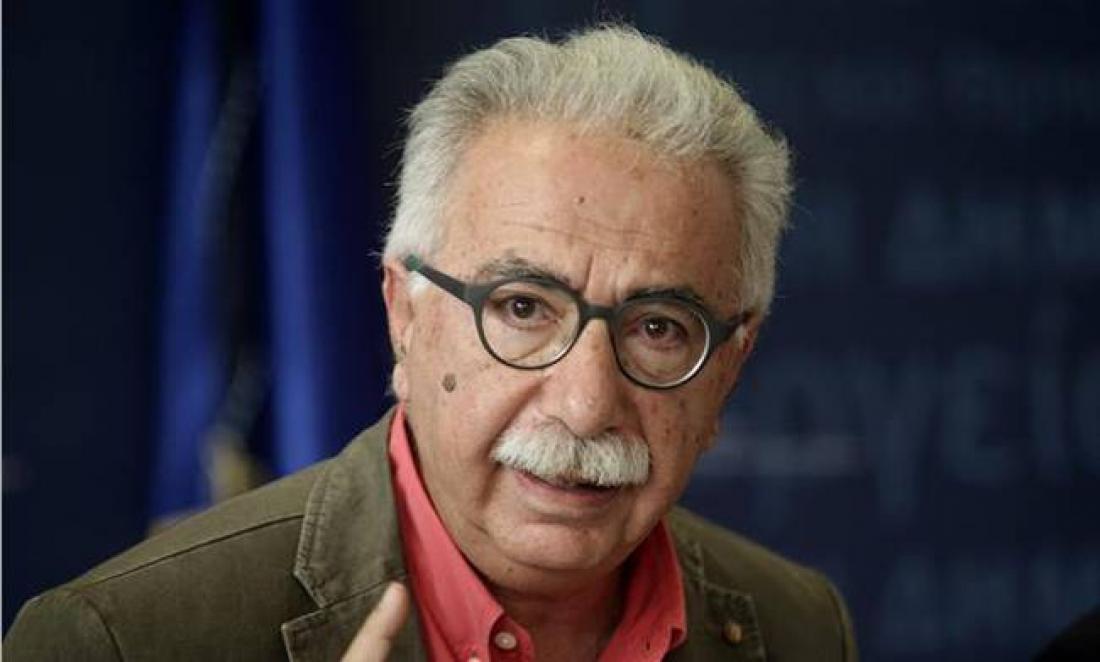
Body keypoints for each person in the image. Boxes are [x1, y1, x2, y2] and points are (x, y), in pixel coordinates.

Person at [5, 26, 857, 661]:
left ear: (730, 368)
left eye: (659, 329)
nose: (586, 403)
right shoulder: (119, 641)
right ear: (404, 316)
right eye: (523, 308)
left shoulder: (799, 627)